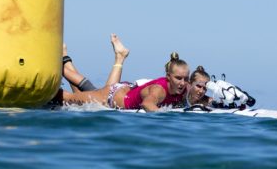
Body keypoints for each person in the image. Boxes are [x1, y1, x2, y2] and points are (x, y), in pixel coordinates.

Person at [53, 35, 189, 112]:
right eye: (178, 78)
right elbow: (147, 104)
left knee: (80, 95)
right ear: (168, 77)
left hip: (125, 90)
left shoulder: (183, 87)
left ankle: (64, 58)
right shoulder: (159, 90)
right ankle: (51, 65)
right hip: (109, 98)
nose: (182, 83)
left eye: (185, 79)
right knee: (68, 99)